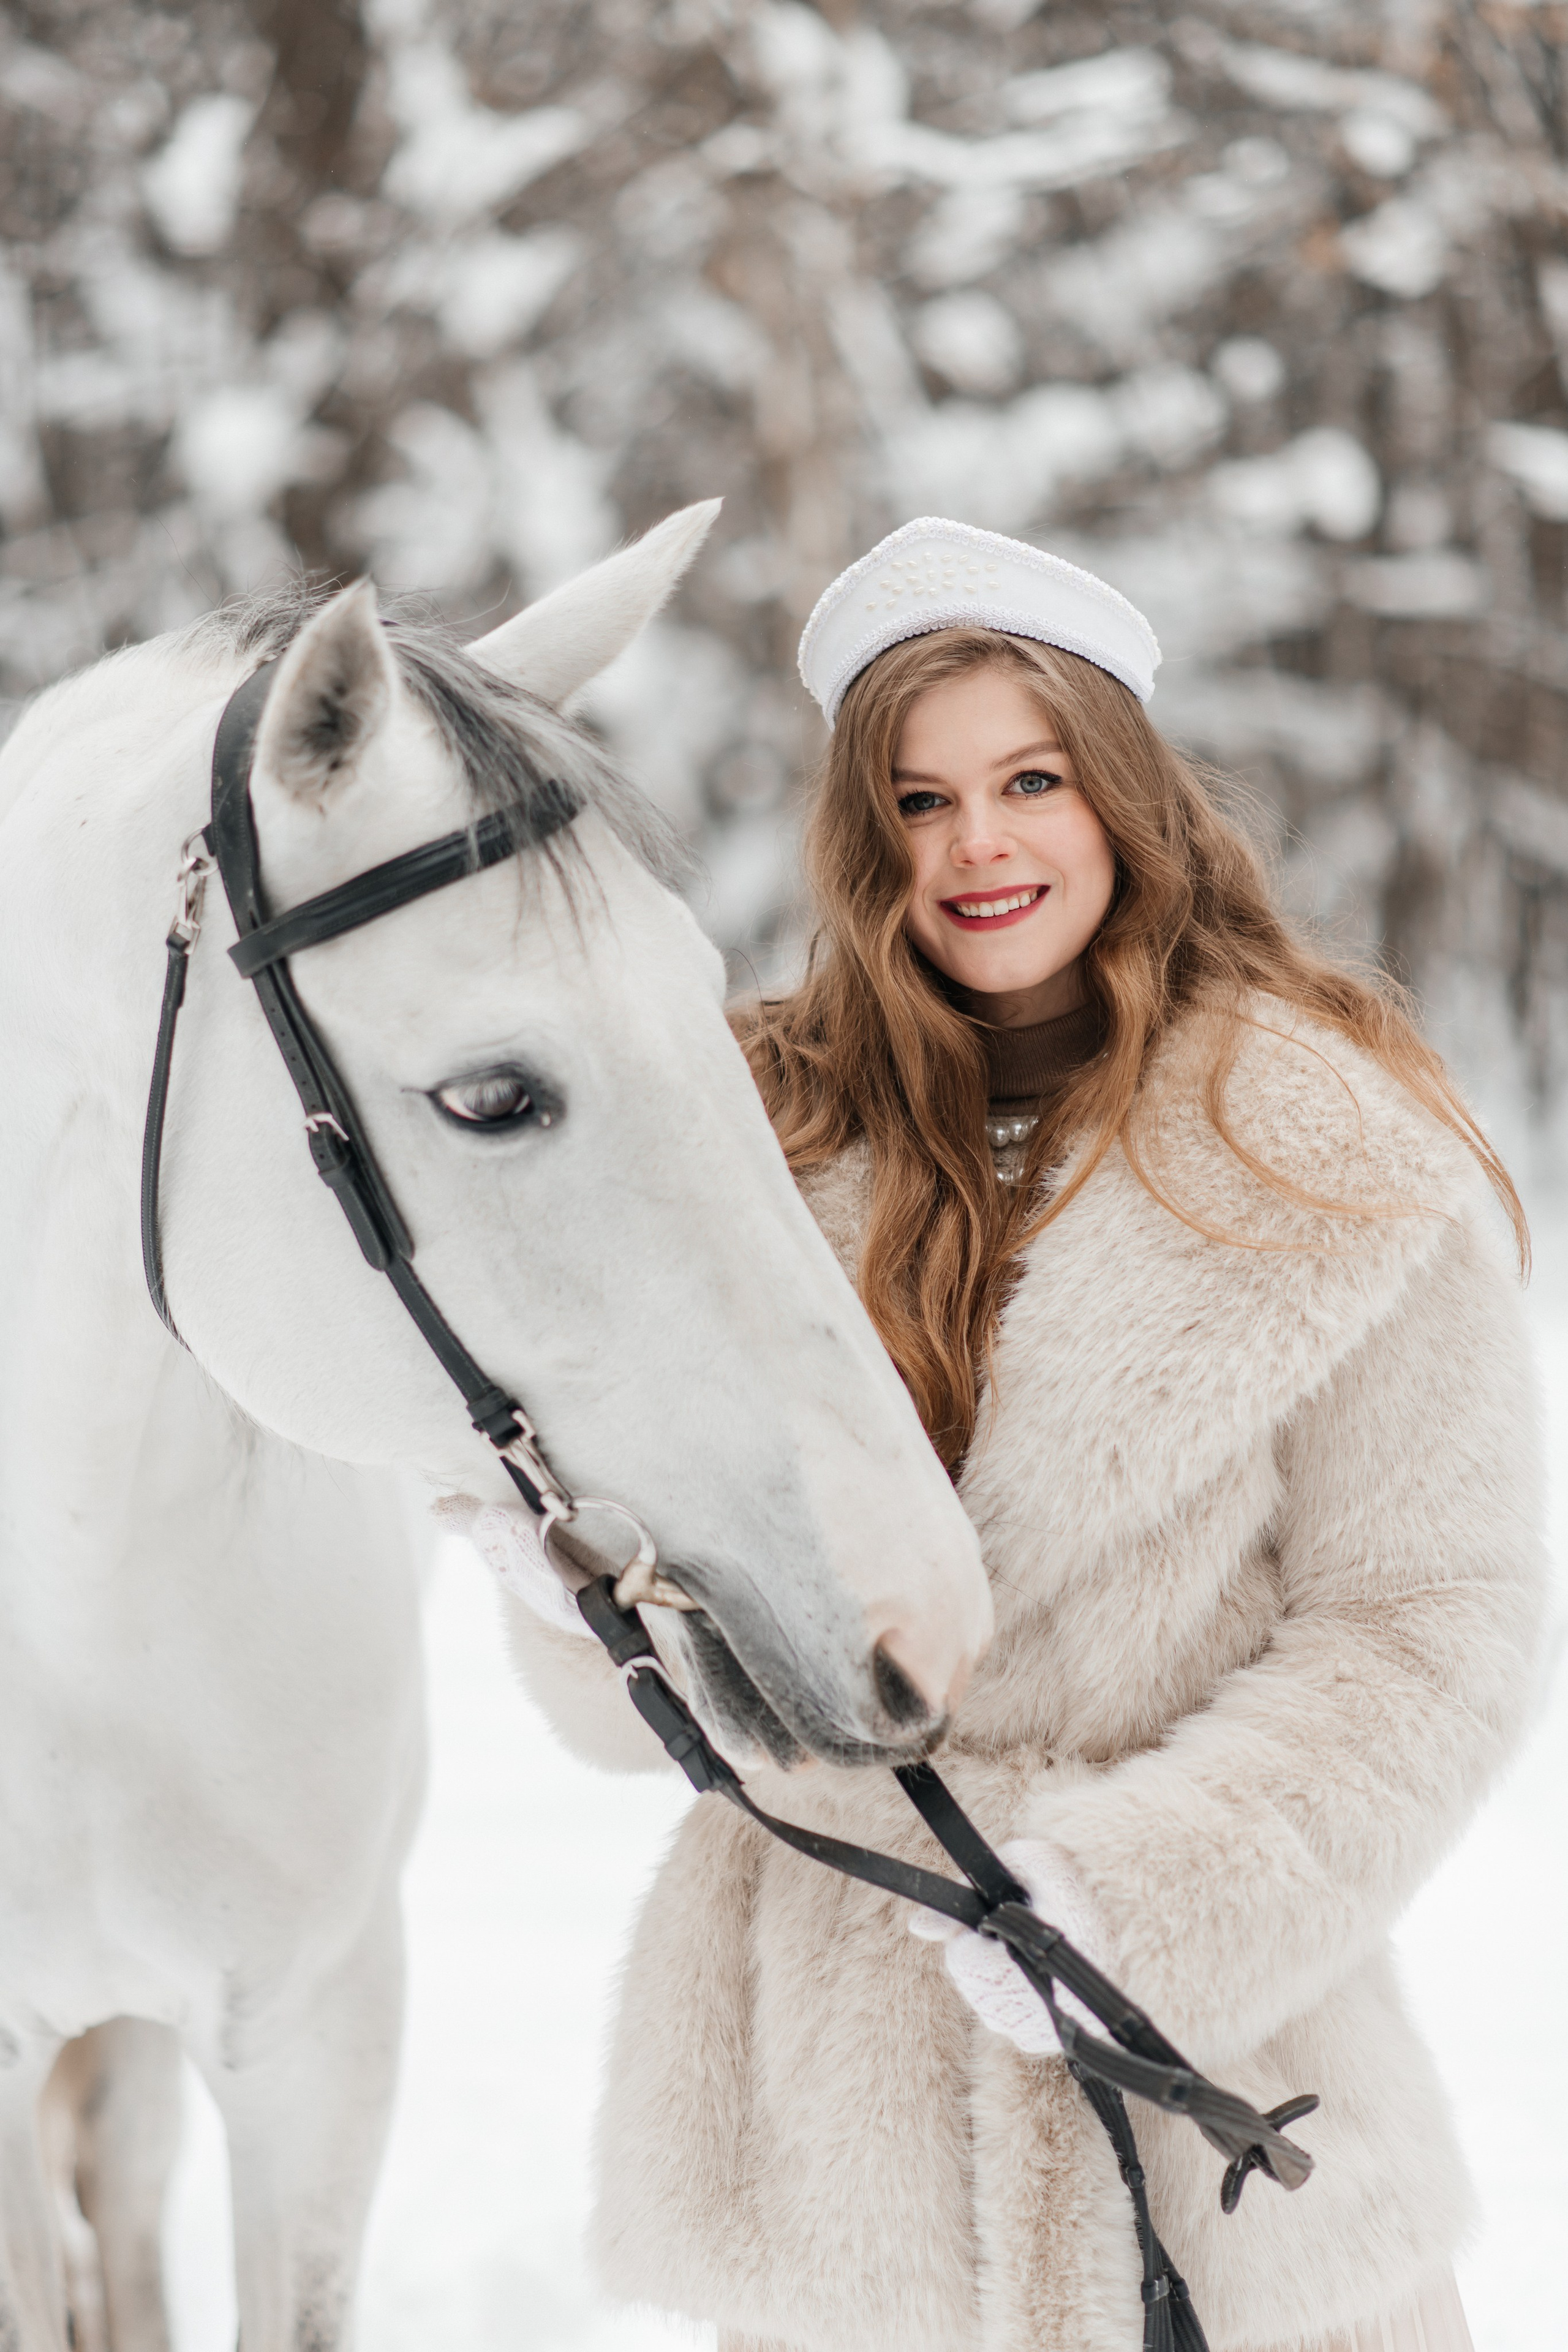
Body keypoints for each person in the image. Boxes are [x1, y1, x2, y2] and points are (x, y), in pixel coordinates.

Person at [476, 519, 1544, 2352]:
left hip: (1224, 2116)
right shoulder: (741, 1153)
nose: (978, 844)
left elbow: (1431, 1626)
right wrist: (568, 1578)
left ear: (1123, 797)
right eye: (920, 797)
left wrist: (1146, 1903)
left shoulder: (1339, 1159)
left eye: (1030, 780)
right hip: (838, 2149)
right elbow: (643, 1697)